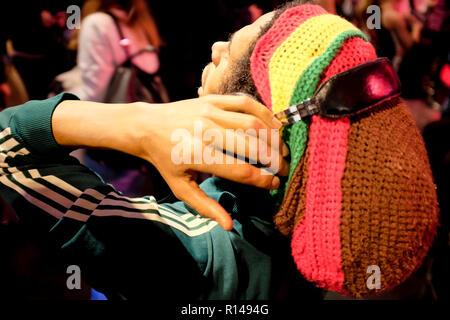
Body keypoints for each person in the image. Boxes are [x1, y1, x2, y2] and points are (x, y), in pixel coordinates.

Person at [0, 0, 438, 300]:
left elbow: (7, 147)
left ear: (250, 120)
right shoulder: (298, 233)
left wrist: (138, 121)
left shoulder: (197, 254)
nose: (214, 47)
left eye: (228, 56)